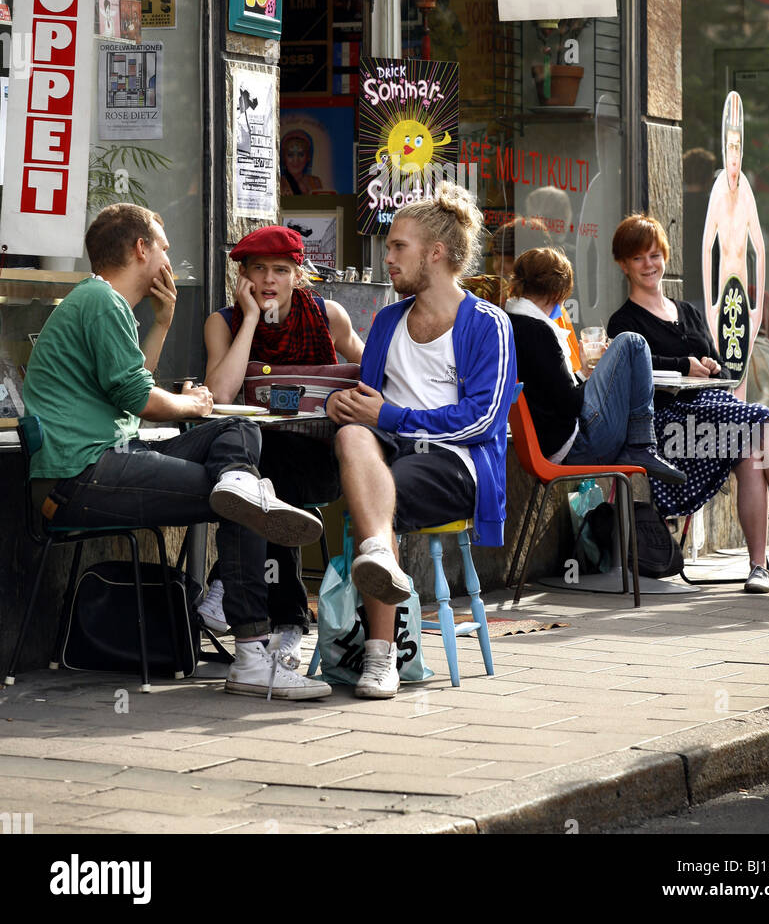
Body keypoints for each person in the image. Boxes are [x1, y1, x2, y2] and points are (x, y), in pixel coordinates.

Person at [22, 203, 329, 700]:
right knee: (246, 499)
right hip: (79, 476)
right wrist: (190, 401)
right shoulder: (100, 300)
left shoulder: (105, 303)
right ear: (142, 248)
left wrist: (163, 322)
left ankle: (240, 492)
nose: (169, 255)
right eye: (163, 245)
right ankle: (253, 656)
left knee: (234, 442)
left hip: (108, 458)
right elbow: (141, 399)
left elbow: (133, 392)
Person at [325, 184, 517, 699]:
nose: (387, 259)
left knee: (378, 494)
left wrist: (391, 414)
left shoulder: (489, 324)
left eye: (397, 247)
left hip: (456, 462)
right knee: (351, 438)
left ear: (435, 253)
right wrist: (339, 405)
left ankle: (381, 655)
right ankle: (378, 579)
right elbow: (367, 404)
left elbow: (480, 422)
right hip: (387, 451)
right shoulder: (388, 320)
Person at [608, 213, 769, 594]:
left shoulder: (688, 312)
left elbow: (715, 361)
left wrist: (712, 364)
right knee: (763, 422)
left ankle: (757, 568)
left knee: (754, 454)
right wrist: (683, 365)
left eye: (654, 255)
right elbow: (634, 367)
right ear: (623, 264)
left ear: (664, 257)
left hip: (714, 413)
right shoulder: (622, 322)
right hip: (672, 427)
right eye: (638, 258)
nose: (649, 265)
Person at [201, 225, 363, 677]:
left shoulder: (329, 316)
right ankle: (289, 620)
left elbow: (371, 368)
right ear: (243, 277)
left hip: (319, 459)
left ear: (298, 275)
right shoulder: (224, 322)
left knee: (265, 472)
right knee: (261, 458)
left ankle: (222, 580)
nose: (269, 280)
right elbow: (220, 393)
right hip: (258, 465)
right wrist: (251, 320)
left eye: (280, 270)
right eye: (258, 270)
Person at [505, 247, 687, 483]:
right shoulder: (539, 332)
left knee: (624, 355)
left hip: (548, 446)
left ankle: (635, 447)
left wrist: (589, 374)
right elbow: (569, 404)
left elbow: (551, 393)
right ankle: (642, 445)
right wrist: (585, 372)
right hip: (574, 447)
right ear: (556, 293)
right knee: (632, 342)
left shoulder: (510, 323)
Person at [701, 92, 766, 392]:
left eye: (738, 146)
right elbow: (706, 249)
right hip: (725, 295)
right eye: (730, 146)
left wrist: (758, 308)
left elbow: (760, 250)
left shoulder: (747, 193)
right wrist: (711, 304)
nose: (735, 155)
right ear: (724, 150)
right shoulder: (717, 192)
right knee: (727, 369)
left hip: (741, 295)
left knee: (739, 374)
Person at [280, 129, 324, 195]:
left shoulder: (315, 182)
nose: (296, 160)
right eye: (290, 155)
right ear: (284, 157)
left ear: (308, 157)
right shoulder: (276, 183)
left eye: (301, 154)